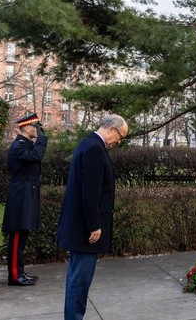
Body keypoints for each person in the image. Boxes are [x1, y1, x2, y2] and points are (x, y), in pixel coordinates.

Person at [57, 114, 128, 320]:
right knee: (80, 281)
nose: (118, 142)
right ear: (112, 129)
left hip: (79, 227)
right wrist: (94, 225)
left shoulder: (88, 144)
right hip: (85, 231)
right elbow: (91, 192)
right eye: (120, 137)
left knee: (76, 279)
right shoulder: (95, 149)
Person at [1, 113, 48, 287]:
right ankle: (15, 276)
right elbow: (36, 156)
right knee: (17, 237)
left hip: (25, 192)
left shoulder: (26, 145)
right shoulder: (18, 146)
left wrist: (39, 139)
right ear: (27, 128)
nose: (38, 130)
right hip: (20, 194)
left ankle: (19, 272)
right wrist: (42, 139)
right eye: (36, 127)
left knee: (22, 236)